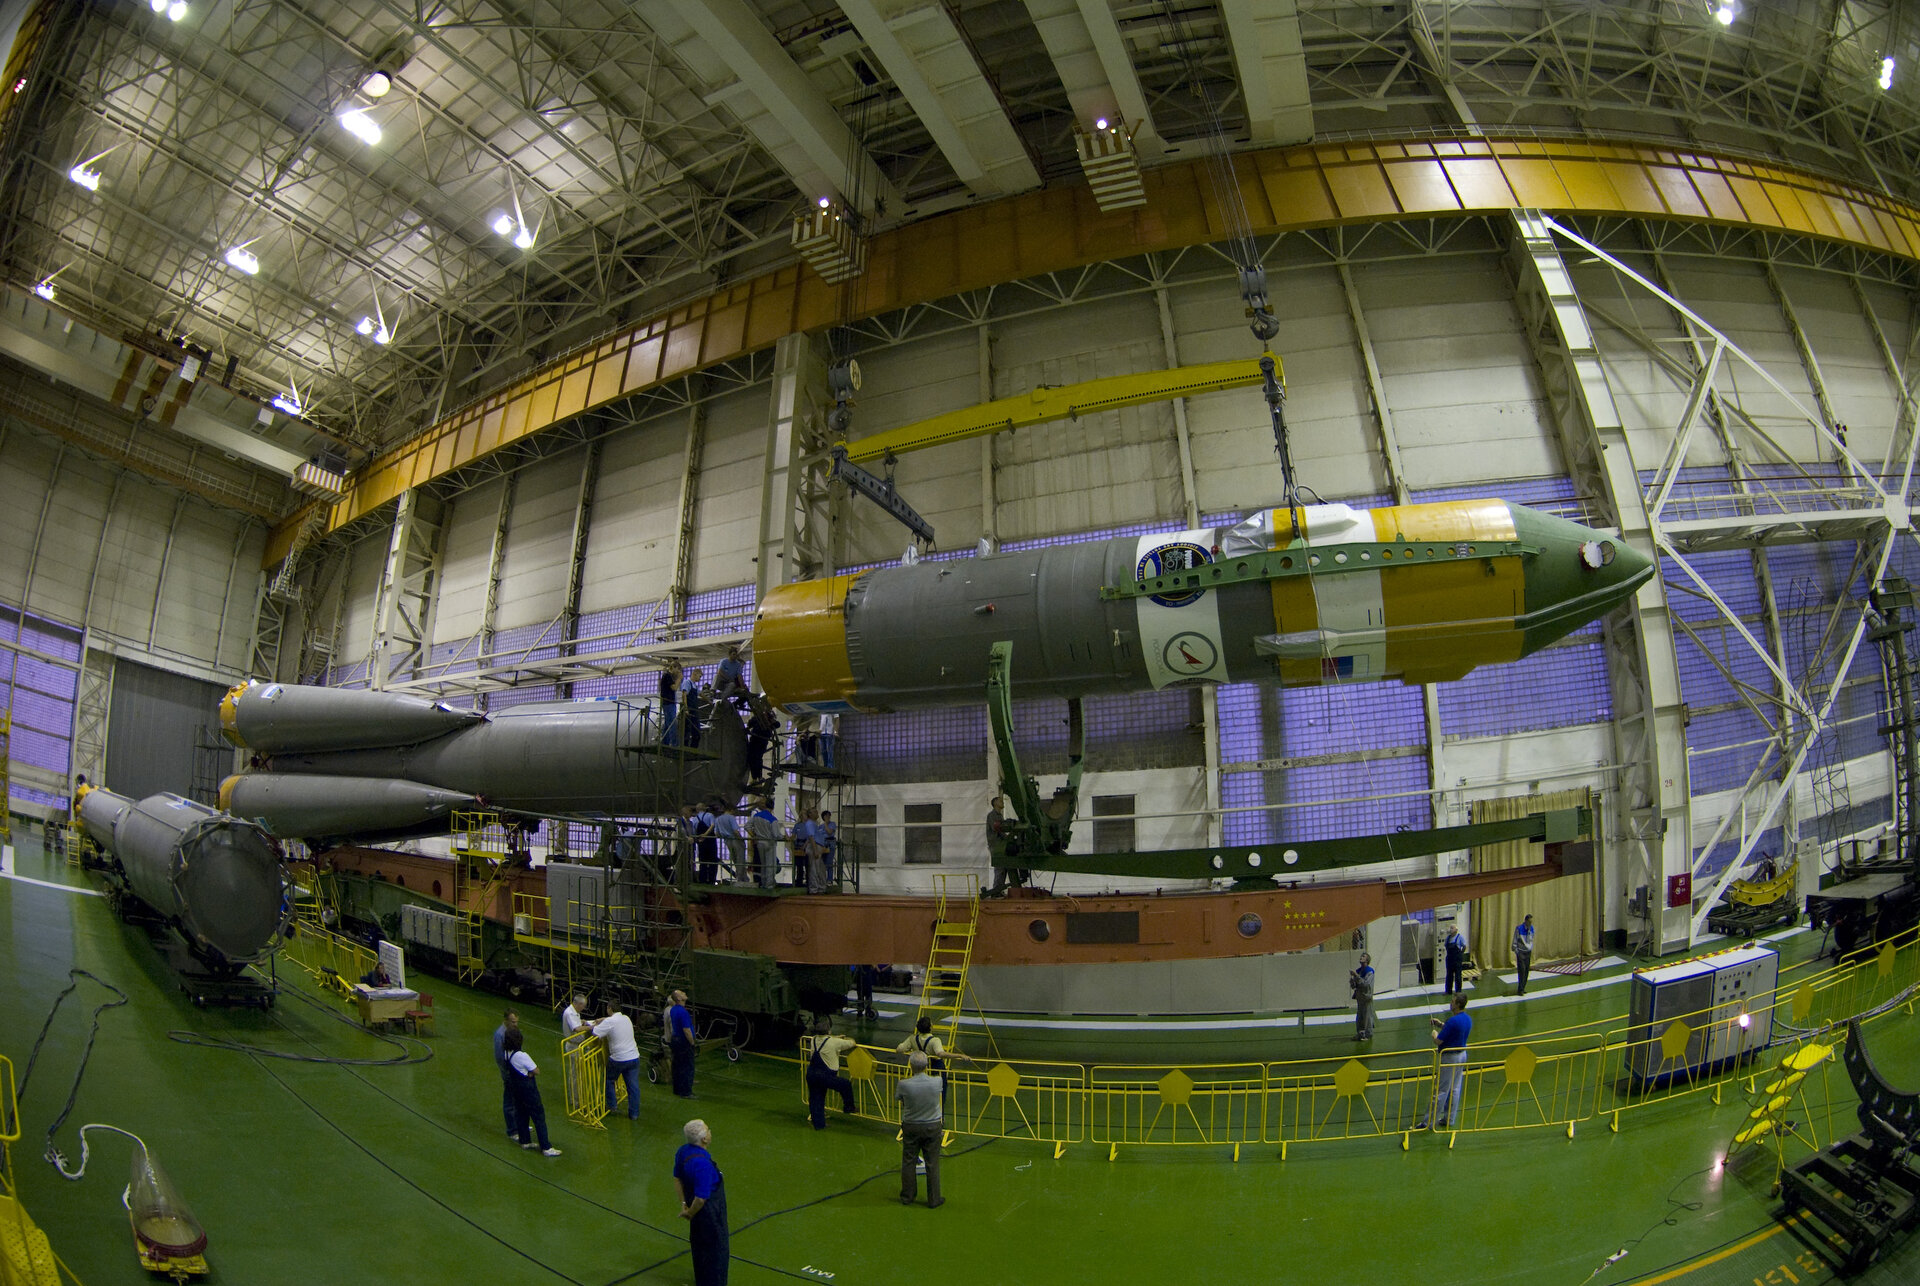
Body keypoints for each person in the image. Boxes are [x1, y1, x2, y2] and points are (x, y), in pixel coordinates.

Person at [674, 1119, 729, 1286]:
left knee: (699, 1245)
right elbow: (701, 1198)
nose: (710, 1132)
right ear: (704, 1139)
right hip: (708, 1212)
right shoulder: (702, 1165)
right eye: (708, 1130)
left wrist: (684, 1204)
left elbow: (677, 1179)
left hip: (693, 1206)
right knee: (716, 1249)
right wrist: (690, 1213)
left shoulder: (683, 1151)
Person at [896, 1052, 945, 1208]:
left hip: (911, 1126)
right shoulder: (937, 1081)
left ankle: (907, 1196)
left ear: (911, 1066)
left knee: (908, 1161)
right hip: (933, 1126)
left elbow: (900, 1099)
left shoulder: (903, 1084)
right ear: (926, 1065)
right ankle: (934, 1199)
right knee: (932, 1163)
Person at [1419, 994, 1473, 1131]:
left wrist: (1434, 1035)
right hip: (1462, 1055)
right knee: (1455, 1088)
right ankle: (1449, 1118)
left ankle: (1428, 1123)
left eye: (1453, 1001)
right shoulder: (1467, 1019)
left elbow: (1438, 1041)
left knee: (1441, 1090)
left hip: (1449, 1057)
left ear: (1457, 1005)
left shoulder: (1453, 1021)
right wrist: (1440, 1024)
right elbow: (1454, 1031)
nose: (1450, 1003)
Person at [503, 1028, 561, 1156]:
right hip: (529, 1091)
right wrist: (529, 1073)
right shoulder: (522, 1056)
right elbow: (536, 1070)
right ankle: (546, 1147)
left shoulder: (507, 1053)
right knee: (538, 1117)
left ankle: (525, 1141)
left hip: (516, 1090)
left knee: (522, 1114)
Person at [590, 1004, 641, 1122]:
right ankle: (634, 1114)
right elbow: (613, 1021)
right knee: (633, 1087)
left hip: (618, 1058)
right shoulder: (626, 1018)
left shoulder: (609, 1022)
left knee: (609, 1080)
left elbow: (595, 1033)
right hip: (634, 1056)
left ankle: (612, 1106)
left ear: (609, 1009)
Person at [805, 1016, 857, 1129]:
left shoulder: (813, 1039)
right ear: (829, 1031)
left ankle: (818, 1124)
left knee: (816, 1098)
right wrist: (847, 1039)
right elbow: (852, 1043)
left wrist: (836, 1038)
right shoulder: (834, 1042)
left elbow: (826, 1040)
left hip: (811, 1073)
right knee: (845, 1084)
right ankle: (849, 1107)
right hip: (825, 1076)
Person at [493, 1008, 521, 1139]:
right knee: (510, 1102)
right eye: (512, 1022)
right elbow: (499, 1058)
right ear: (505, 1020)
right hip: (509, 1073)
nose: (515, 1024)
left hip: (516, 1072)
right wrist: (508, 1072)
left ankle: (520, 1124)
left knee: (518, 1100)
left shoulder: (513, 1031)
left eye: (516, 1022)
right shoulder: (500, 1035)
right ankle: (512, 1130)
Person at [668, 988, 698, 1098]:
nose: (685, 993)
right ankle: (686, 1092)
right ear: (679, 998)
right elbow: (686, 1030)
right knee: (687, 1066)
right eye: (682, 993)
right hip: (683, 1042)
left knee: (677, 1066)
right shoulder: (683, 1012)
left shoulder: (673, 1010)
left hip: (675, 1039)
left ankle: (677, 1089)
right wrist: (692, 1043)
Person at [748, 798, 780, 889]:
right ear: (772, 807)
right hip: (770, 843)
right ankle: (769, 885)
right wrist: (785, 837)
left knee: (763, 865)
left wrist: (754, 836)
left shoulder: (756, 815)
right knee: (770, 864)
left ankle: (763, 883)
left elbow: (747, 826)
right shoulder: (772, 818)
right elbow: (776, 834)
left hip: (759, 843)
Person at [711, 803, 744, 883]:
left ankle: (740, 877)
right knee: (740, 859)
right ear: (731, 810)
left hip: (727, 841)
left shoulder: (718, 819)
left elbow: (717, 834)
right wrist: (741, 839)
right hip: (735, 840)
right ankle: (740, 878)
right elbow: (735, 831)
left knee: (734, 859)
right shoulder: (731, 818)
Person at [1350, 952, 1376, 1041]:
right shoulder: (1358, 971)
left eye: (1363, 956)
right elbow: (1354, 986)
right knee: (1360, 1016)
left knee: (1367, 1016)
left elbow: (1365, 984)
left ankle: (1367, 1034)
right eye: (1361, 956)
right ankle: (1360, 1033)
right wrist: (1352, 981)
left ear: (1367, 960)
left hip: (1366, 997)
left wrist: (1356, 976)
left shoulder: (1369, 971)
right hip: (1360, 997)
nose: (1361, 957)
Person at [693, 802, 719, 884]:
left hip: (701, 842)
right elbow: (712, 825)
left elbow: (694, 832)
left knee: (702, 862)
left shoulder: (694, 819)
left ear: (697, 810)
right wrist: (706, 834)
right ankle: (712, 880)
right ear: (705, 808)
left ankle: (702, 880)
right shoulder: (710, 815)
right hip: (710, 841)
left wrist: (700, 838)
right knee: (713, 862)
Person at [1512, 913, 1536, 995]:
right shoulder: (1519, 928)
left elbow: (1531, 939)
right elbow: (1515, 940)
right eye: (1529, 922)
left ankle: (1523, 987)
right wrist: (1516, 951)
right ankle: (1520, 989)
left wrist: (1530, 948)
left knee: (1526, 971)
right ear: (1525, 921)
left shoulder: (1532, 928)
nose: (1530, 924)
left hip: (1528, 952)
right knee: (1521, 970)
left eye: (1531, 922)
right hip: (1521, 952)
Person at [659, 663, 681, 746]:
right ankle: (674, 743)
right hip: (668, 703)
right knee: (672, 723)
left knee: (668, 723)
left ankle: (665, 742)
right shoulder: (667, 675)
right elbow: (674, 688)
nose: (678, 672)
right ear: (674, 668)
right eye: (678, 669)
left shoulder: (668, 676)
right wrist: (679, 679)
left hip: (669, 703)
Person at [1443, 923, 1468, 995]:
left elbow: (1464, 946)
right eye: (1450, 928)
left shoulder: (1460, 937)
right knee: (1449, 976)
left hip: (1457, 959)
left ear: (1456, 930)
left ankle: (1458, 991)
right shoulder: (1447, 938)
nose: (1450, 929)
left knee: (1458, 976)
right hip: (1449, 960)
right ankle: (1448, 991)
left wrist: (1460, 954)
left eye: (1452, 928)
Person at [682, 672, 706, 748]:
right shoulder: (687, 683)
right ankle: (685, 747)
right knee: (687, 730)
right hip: (689, 709)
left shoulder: (695, 686)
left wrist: (709, 701)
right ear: (694, 674)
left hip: (695, 710)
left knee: (696, 731)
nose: (700, 679)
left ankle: (694, 748)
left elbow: (701, 694)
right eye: (699, 676)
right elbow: (684, 695)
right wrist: (686, 708)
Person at [818, 810, 839, 885]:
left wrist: (826, 824)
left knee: (829, 862)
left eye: (829, 816)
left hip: (830, 844)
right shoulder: (820, 827)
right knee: (822, 862)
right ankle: (822, 879)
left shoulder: (832, 824)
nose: (828, 817)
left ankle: (830, 879)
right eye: (826, 816)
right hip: (822, 844)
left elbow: (829, 832)